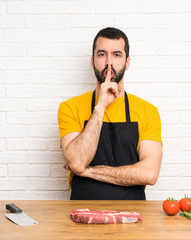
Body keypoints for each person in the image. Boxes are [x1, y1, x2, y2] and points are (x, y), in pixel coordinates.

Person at [58, 27, 162, 200]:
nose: (109, 62)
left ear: (127, 62)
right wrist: (100, 108)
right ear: (92, 61)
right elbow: (77, 162)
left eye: (116, 55)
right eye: (101, 54)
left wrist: (89, 172)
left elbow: (149, 174)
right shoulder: (70, 107)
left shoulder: (147, 111)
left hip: (133, 214)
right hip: (83, 212)